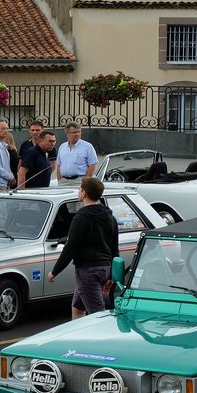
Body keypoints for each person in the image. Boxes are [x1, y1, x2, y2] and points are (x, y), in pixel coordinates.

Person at [47, 177, 119, 319]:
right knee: (78, 308)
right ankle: (77, 340)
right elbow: (114, 248)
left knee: (97, 315)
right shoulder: (111, 217)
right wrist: (113, 276)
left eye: (80, 189)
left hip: (88, 271)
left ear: (84, 193)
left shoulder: (81, 218)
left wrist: (54, 272)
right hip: (105, 268)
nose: (78, 191)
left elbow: (70, 248)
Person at [55, 122, 98, 187]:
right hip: (63, 182)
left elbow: (92, 164)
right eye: (74, 132)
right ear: (67, 134)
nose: (77, 134)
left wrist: (86, 181)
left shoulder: (87, 146)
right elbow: (59, 165)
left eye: (79, 132)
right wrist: (60, 180)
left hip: (79, 181)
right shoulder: (62, 147)